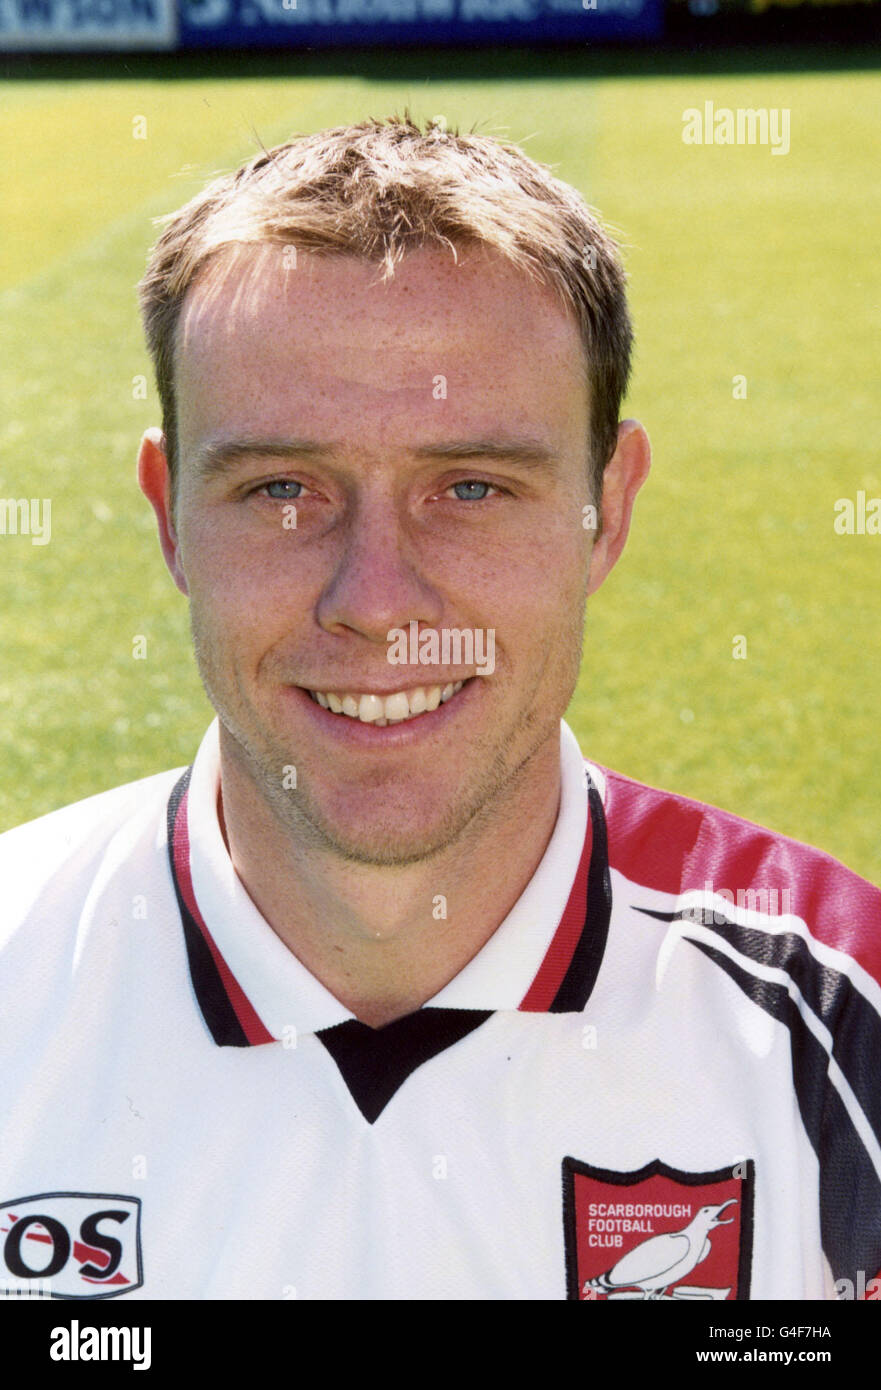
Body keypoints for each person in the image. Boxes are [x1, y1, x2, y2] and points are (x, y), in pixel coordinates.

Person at [0, 115, 878, 1303]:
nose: (375, 602)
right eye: (278, 489)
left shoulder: (840, 1019)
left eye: (471, 486)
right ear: (168, 516)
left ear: (604, 510)